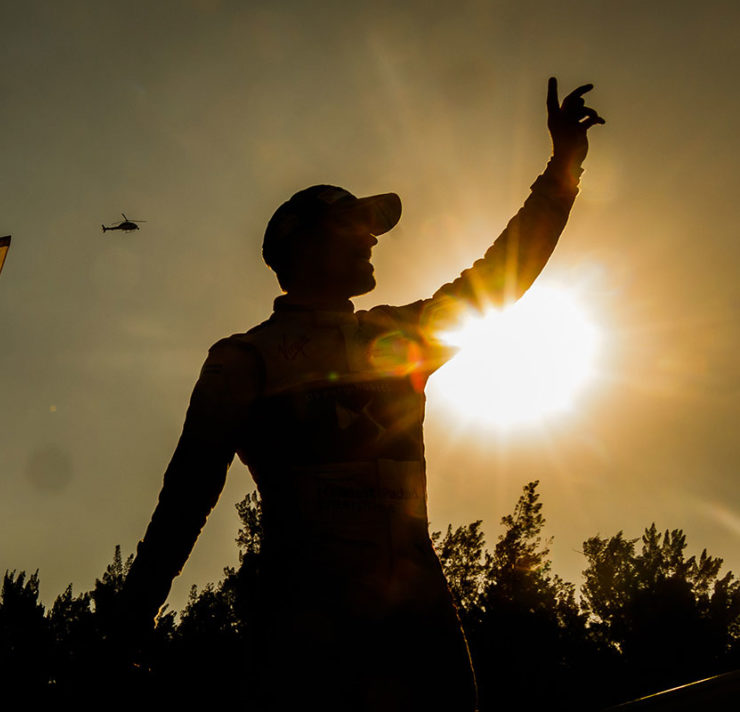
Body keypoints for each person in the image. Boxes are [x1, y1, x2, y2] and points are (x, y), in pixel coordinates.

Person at [121, 77, 604, 709]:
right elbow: (187, 495)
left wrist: (563, 169)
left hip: (421, 624)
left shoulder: (400, 335)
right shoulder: (244, 359)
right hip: (305, 634)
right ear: (305, 245)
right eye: (354, 226)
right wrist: (131, 616)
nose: (372, 238)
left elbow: (501, 275)